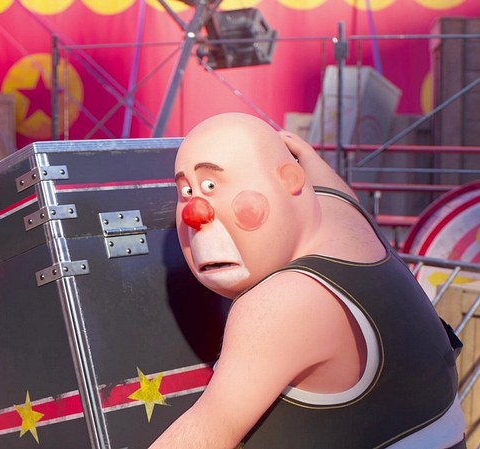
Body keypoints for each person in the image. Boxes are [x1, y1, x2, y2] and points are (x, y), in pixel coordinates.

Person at [150, 112, 465, 448]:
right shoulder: (348, 220)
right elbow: (331, 189)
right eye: (187, 190)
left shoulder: (281, 302)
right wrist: (304, 153)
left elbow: (207, 431)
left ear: (289, 179)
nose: (195, 213)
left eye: (212, 185)